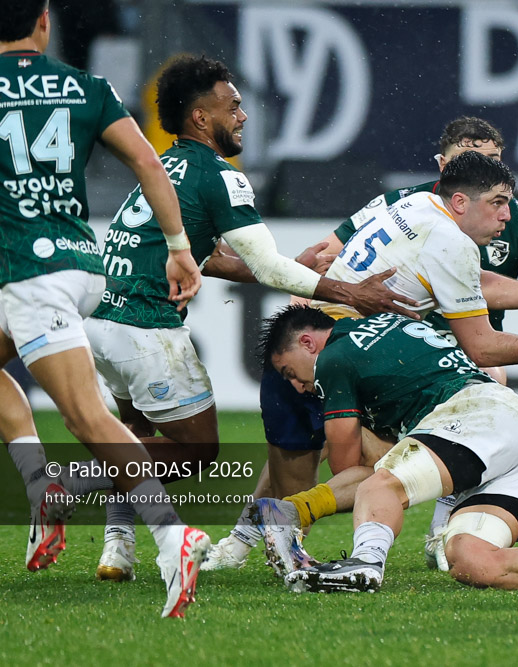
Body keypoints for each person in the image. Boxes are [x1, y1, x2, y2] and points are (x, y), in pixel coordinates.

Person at [84, 55, 418, 582]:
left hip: (100, 321)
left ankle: (117, 546)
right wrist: (350, 292)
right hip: (145, 327)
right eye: (232, 105)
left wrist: (294, 270)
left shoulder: (165, 164)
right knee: (195, 450)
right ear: (200, 118)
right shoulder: (218, 175)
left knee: (134, 434)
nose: (243, 115)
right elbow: (265, 263)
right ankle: (66, 487)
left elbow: (211, 258)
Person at [204, 149, 518, 571]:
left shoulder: (417, 204)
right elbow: (482, 347)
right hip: (339, 352)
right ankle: (311, 538)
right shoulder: (450, 240)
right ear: (460, 199)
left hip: (318, 333)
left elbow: (468, 279)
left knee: (312, 455)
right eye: (497, 203)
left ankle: (245, 539)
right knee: (364, 468)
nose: (507, 216)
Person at [0, 0, 207, 617]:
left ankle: (174, 538)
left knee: (90, 420)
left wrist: (9, 203)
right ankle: (44, 492)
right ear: (44, 20)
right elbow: (146, 161)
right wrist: (178, 249)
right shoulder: (86, 86)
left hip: (34, 277)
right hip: (84, 264)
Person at [254, 305, 518, 594]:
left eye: (290, 372)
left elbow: (351, 468)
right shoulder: (386, 325)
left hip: (472, 416)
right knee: (472, 561)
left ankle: (365, 564)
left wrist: (300, 505)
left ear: (308, 343)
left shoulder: (333, 360)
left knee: (379, 487)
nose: (296, 386)